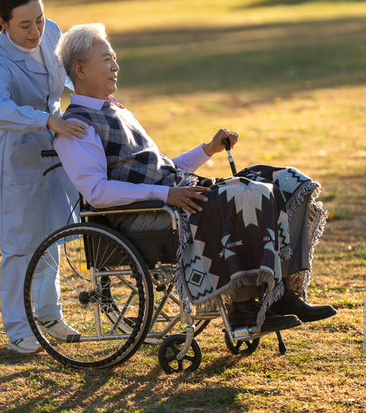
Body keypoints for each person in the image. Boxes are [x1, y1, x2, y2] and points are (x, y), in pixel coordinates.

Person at [53, 23, 337, 333]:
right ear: (80, 70)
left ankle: (281, 293)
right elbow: (96, 192)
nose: (116, 66)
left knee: (282, 183)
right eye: (107, 59)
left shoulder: (119, 111)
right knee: (245, 195)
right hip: (142, 214)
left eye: (114, 58)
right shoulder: (75, 128)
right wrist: (166, 196)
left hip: (174, 196)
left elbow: (162, 169)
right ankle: (244, 307)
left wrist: (207, 150)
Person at [0, 0, 87, 354]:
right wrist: (46, 120)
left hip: (57, 144)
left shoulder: (52, 32)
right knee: (20, 241)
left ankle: (48, 315)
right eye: (24, 24)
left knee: (52, 232)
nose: (35, 31)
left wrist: (98, 97)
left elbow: (73, 74)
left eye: (39, 20)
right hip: (18, 152)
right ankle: (18, 328)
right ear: (3, 23)